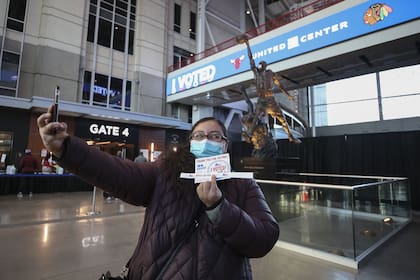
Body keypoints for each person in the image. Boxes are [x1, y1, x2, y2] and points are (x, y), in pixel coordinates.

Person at [37, 104, 279, 279]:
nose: (207, 140)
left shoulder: (242, 184)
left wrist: (219, 209)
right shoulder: (165, 171)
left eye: (215, 136)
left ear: (225, 144)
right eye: (199, 136)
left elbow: (264, 237)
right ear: (190, 142)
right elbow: (120, 172)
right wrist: (66, 149)